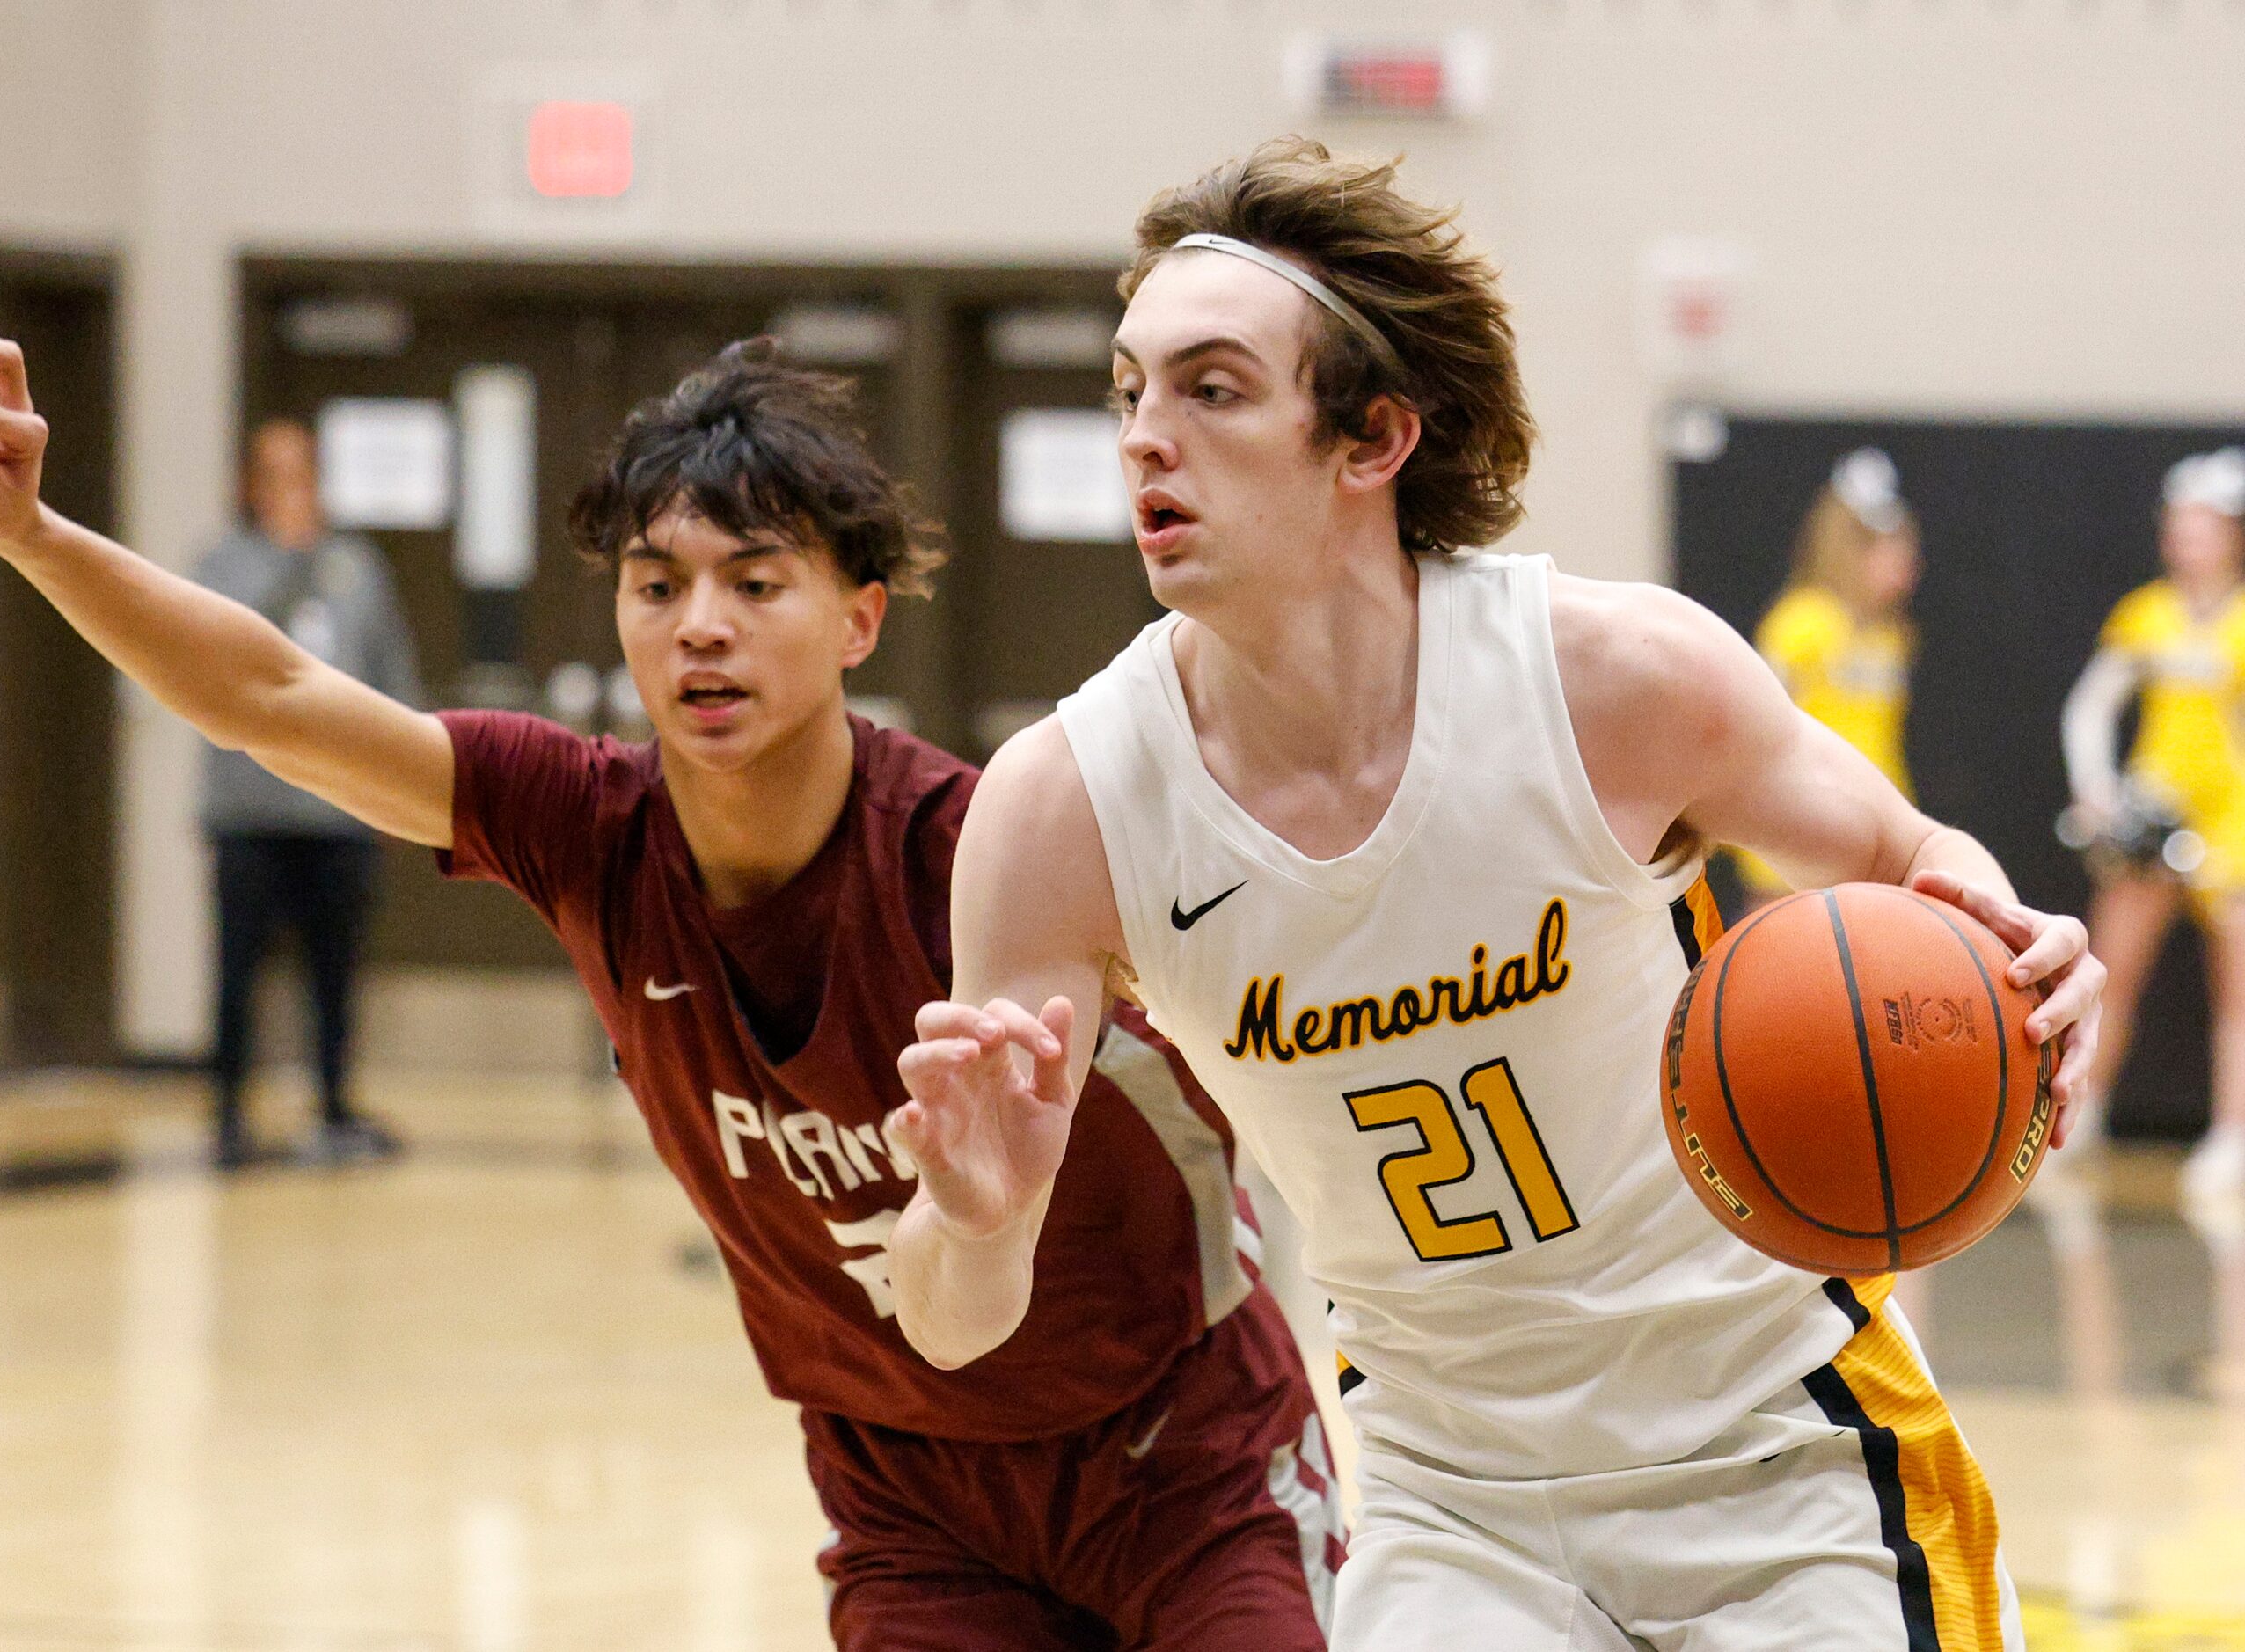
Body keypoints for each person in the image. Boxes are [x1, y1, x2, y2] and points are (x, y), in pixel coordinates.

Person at [0, 321, 1342, 1650]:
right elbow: (274, 696)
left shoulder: (984, 849)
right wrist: (29, 534)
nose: (698, 625)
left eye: (754, 581)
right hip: (911, 1493)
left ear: (858, 616)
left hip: (1183, 1455)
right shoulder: (585, 826)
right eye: (658, 586)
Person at [885, 140, 2105, 1650]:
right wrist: (973, 1214)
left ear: (1371, 438)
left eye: (1210, 389)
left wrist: (2015, 953)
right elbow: (952, 1322)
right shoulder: (1062, 808)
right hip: (1451, 1499)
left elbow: (1912, 864)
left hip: (1777, 1448)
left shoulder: (1611, 682)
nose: (1145, 437)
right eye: (1131, 387)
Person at [194, 417, 420, 1166]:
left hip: (339, 811)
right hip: (249, 811)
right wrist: (292, 558)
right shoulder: (223, 566)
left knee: (336, 970)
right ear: (249, 485)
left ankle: (334, 1105)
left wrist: (407, 779)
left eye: (304, 472)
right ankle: (228, 1111)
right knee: (238, 968)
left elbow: (390, 674)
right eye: (275, 473)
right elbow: (237, 654)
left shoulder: (358, 567)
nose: (293, 488)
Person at [2059, 448, 2245, 1199]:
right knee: (2110, 972)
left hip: (2232, 821)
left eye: (2204, 524)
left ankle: (2233, 1133)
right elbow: (2091, 706)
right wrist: (2098, 789)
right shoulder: (2147, 613)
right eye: (2180, 524)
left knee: (2235, 989)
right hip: (2152, 814)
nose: (2187, 538)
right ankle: (2082, 1114)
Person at [1730, 448, 1920, 905]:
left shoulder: (1891, 635)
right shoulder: (1800, 623)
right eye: (1885, 549)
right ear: (1848, 550)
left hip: (1879, 832)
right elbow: (1756, 724)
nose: (1904, 564)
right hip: (1799, 828)